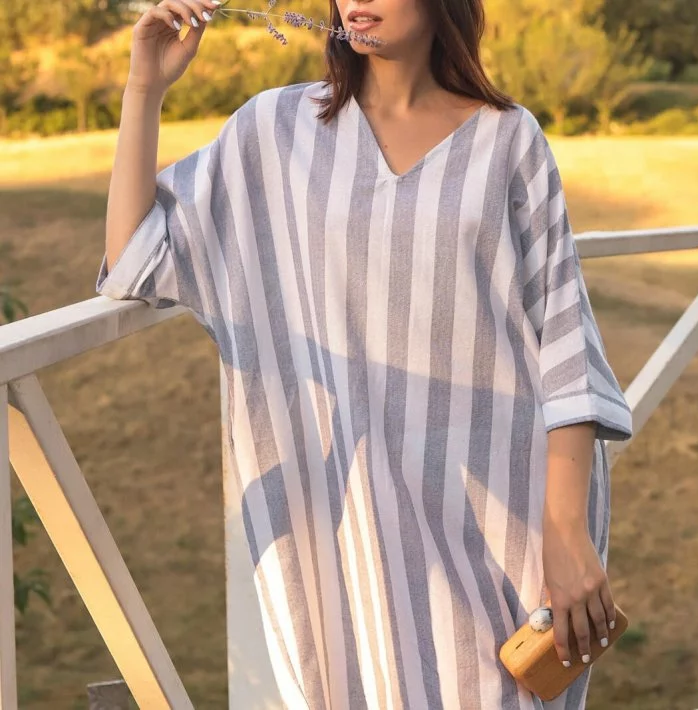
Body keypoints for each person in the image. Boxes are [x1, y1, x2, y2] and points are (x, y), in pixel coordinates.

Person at [97, 0, 633, 706]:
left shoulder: (509, 140)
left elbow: (565, 344)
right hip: (349, 533)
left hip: (508, 525)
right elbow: (136, 259)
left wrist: (565, 532)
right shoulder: (274, 130)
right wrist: (145, 87)